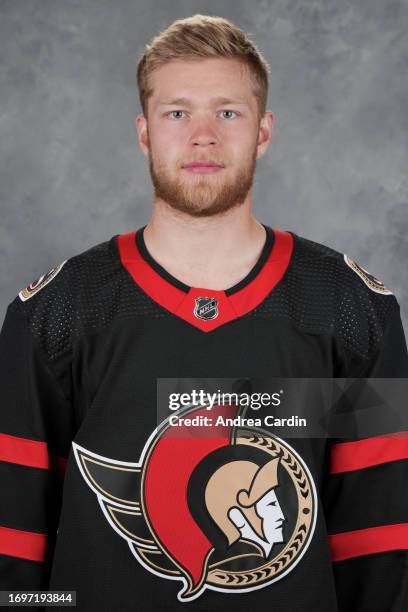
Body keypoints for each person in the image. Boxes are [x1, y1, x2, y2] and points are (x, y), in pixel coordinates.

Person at [0, 13, 407, 611]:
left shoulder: (352, 309)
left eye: (227, 111)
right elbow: (16, 544)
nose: (202, 135)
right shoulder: (56, 313)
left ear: (263, 131)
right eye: (176, 113)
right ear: (144, 132)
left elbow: (380, 539)